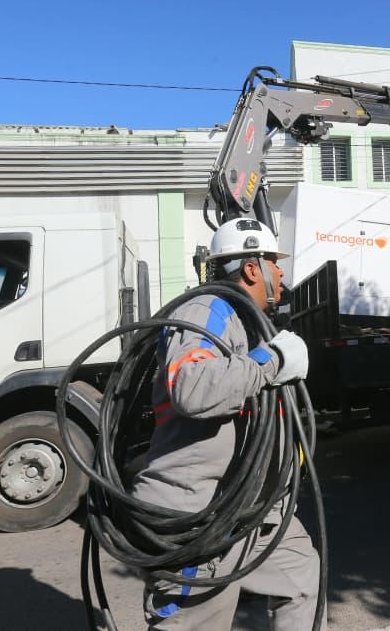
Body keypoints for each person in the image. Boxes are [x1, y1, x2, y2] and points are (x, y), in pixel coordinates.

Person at [132, 218, 320, 630]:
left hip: (251, 507)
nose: (282, 271)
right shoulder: (207, 309)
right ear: (252, 268)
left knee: (301, 575)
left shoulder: (249, 321)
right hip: (199, 511)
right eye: (274, 261)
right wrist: (273, 361)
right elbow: (192, 387)